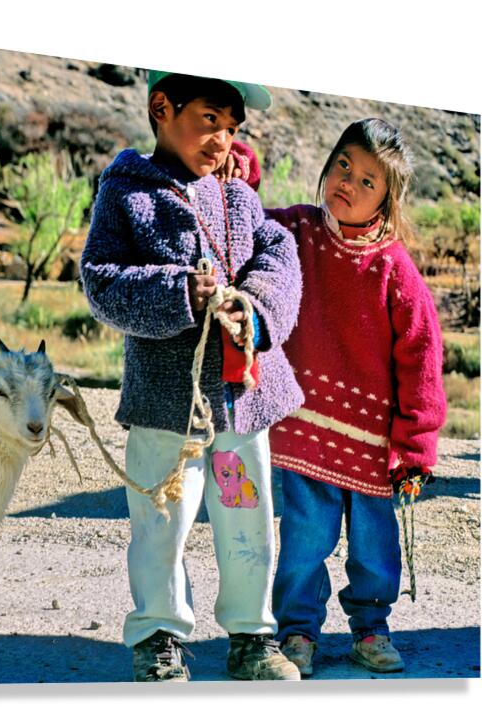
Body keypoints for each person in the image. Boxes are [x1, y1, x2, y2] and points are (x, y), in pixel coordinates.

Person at [80, 70, 304, 682]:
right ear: (161, 108)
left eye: (231, 128)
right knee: (162, 520)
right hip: (166, 406)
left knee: (245, 515)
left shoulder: (236, 196)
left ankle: (251, 635)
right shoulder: (126, 195)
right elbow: (101, 280)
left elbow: (277, 252)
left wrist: (251, 308)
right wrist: (180, 292)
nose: (222, 140)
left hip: (238, 405)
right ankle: (159, 633)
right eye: (210, 121)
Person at [224, 118, 447, 676]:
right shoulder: (297, 232)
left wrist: (415, 445)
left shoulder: (394, 270)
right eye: (344, 165)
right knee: (304, 539)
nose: (349, 182)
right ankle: (297, 632)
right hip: (305, 427)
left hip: (374, 443)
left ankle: (370, 628)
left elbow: (421, 357)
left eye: (368, 180)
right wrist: (242, 169)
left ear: (387, 202)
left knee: (374, 546)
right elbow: (245, 225)